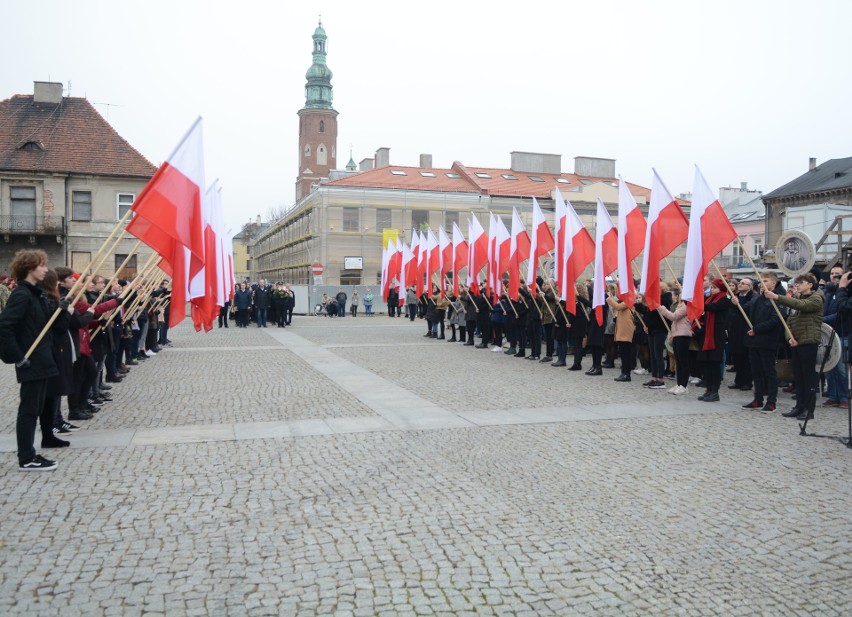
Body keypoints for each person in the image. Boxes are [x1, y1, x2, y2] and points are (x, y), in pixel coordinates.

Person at [0, 250, 64, 470]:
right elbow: (5, 326)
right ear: (29, 268)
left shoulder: (36, 294)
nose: (46, 270)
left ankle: (30, 454)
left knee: (36, 409)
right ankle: (26, 458)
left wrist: (60, 310)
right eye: (42, 265)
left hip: (42, 359)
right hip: (31, 360)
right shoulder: (21, 295)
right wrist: (17, 356)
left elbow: (45, 326)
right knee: (28, 411)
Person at [766, 272, 824, 420]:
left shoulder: (817, 298)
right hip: (796, 342)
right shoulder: (799, 298)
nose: (797, 285)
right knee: (798, 377)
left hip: (809, 341)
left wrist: (778, 297)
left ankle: (809, 409)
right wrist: (789, 337)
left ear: (810, 285)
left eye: (801, 283)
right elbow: (789, 321)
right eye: (796, 283)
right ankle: (799, 406)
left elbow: (802, 306)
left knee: (808, 377)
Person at [734, 272, 784, 412]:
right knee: (756, 372)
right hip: (753, 341)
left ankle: (771, 401)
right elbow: (744, 311)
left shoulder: (777, 299)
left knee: (769, 372)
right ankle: (758, 399)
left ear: (773, 283)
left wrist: (757, 329)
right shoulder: (758, 299)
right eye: (761, 280)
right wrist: (736, 304)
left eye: (766, 280)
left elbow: (776, 320)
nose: (762, 282)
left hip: (767, 341)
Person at [695, 278, 732, 402]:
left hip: (717, 336)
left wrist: (695, 302)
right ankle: (708, 389)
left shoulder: (724, 300)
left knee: (715, 365)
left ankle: (715, 391)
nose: (712, 290)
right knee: (707, 364)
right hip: (707, 335)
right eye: (711, 287)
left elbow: (710, 307)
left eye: (715, 287)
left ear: (721, 289)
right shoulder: (709, 298)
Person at [822, 265, 848, 408]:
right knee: (829, 368)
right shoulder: (826, 292)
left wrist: (822, 320)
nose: (834, 276)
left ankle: (844, 397)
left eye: (838, 274)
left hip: (842, 333)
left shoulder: (844, 293)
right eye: (832, 274)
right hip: (827, 334)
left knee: (841, 369)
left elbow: (841, 313)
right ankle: (832, 395)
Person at [657, 287, 692, 394]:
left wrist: (661, 308)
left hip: (683, 335)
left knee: (683, 361)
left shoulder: (686, 306)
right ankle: (679, 383)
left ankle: (684, 385)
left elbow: (674, 317)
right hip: (677, 334)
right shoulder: (680, 305)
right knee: (678, 361)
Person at [727, 278, 755, 391]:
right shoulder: (737, 296)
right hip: (735, 330)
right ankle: (738, 381)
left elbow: (746, 309)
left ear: (750, 286)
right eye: (740, 283)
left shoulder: (753, 297)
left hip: (745, 330)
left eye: (743, 283)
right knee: (737, 358)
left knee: (745, 359)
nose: (740, 285)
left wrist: (736, 305)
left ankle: (747, 382)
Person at [607, 292, 636, 382]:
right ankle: (624, 373)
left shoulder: (629, 300)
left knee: (626, 354)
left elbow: (618, 307)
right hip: (621, 331)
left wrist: (609, 299)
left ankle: (626, 374)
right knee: (623, 354)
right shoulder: (625, 301)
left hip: (626, 332)